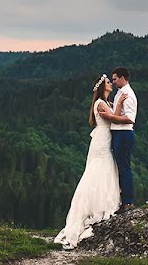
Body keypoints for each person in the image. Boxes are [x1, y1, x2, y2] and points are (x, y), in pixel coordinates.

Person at [53, 74, 126, 249]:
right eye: (109, 82)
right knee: (100, 169)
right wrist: (122, 102)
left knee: (106, 169)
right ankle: (96, 208)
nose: (111, 84)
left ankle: (102, 204)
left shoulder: (105, 103)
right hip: (101, 140)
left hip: (106, 138)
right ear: (103, 87)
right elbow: (114, 118)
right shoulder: (100, 103)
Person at [107, 66, 137, 213]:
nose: (112, 82)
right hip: (119, 133)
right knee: (120, 167)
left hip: (124, 134)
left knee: (124, 168)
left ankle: (128, 202)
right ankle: (124, 200)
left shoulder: (128, 95)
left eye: (114, 79)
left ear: (122, 78)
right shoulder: (121, 93)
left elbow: (130, 119)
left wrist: (111, 117)